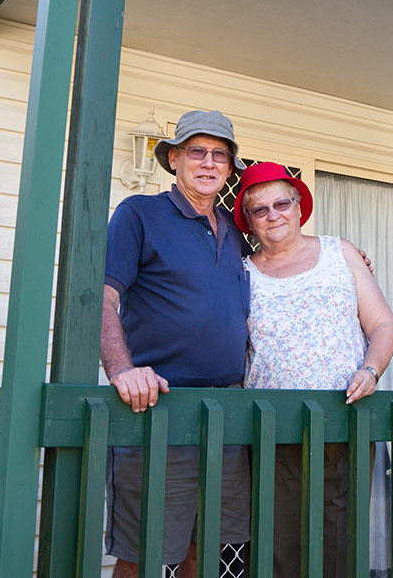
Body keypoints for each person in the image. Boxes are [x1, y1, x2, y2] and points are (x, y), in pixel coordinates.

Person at [101, 109, 253, 578]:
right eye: (196, 152)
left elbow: (289, 263)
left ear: (229, 168)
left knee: (205, 547)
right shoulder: (138, 214)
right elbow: (101, 299)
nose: (208, 163)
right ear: (174, 160)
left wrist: (349, 260)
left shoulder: (236, 233)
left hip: (228, 412)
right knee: (145, 550)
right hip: (159, 409)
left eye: (219, 155)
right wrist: (123, 370)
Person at [232, 162, 393, 578]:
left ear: (299, 205)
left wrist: (371, 369)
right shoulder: (241, 272)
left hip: (343, 420)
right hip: (272, 427)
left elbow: (382, 324)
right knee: (277, 544)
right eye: (260, 209)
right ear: (248, 221)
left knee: (338, 543)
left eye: (281, 203)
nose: (274, 215)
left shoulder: (339, 252)